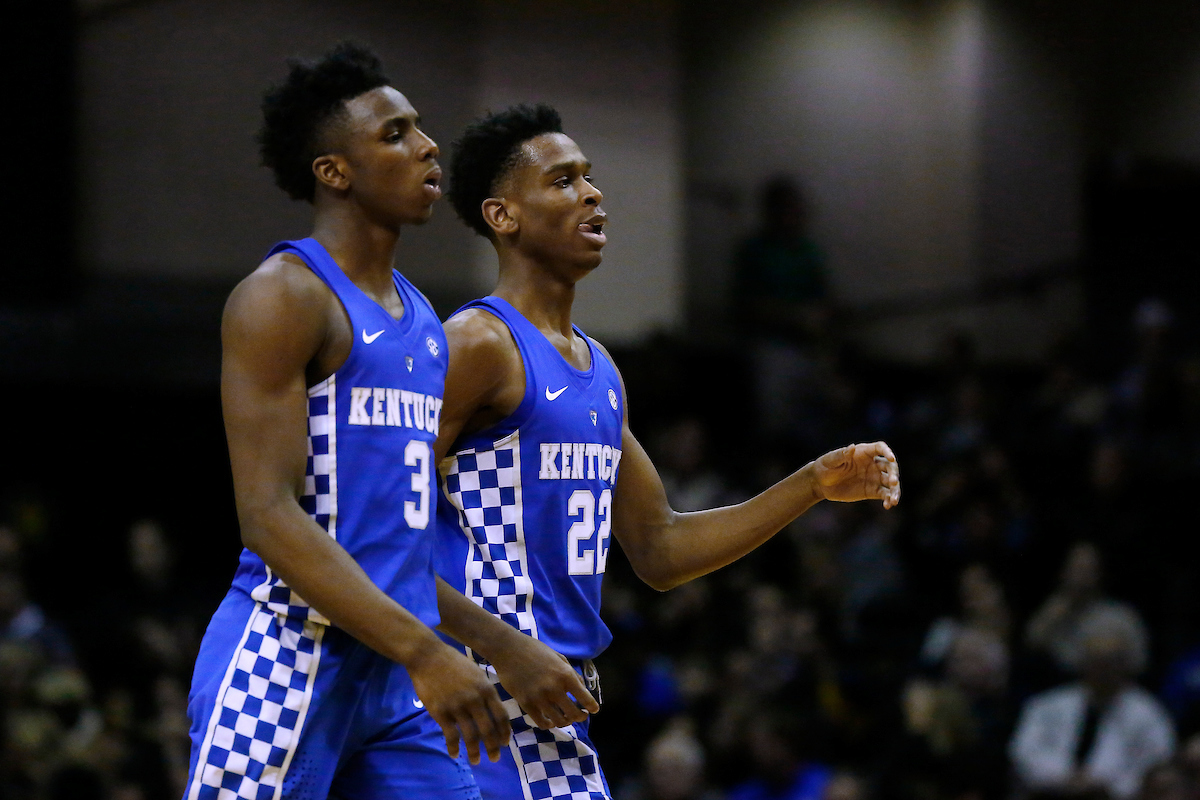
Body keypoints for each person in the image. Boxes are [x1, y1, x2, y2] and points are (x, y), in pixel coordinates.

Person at [431, 104, 900, 800]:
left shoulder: (599, 370)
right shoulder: (476, 342)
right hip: (466, 701)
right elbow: (370, 523)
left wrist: (808, 485)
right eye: (562, 181)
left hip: (554, 709)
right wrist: (498, 646)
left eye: (589, 178)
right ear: (504, 216)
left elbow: (661, 548)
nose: (592, 194)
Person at [183, 43, 510, 800]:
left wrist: (494, 642)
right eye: (394, 134)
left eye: (420, 128)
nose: (429, 147)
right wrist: (427, 652)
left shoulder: (427, 320)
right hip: (286, 656)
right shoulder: (282, 296)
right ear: (334, 172)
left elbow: (392, 541)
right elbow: (267, 515)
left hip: (394, 675)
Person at [1009, 608, 1175, 799]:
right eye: (1096, 662)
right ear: (1083, 663)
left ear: (1126, 665)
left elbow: (1157, 762)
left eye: (1109, 663)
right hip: (1050, 792)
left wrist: (1104, 783)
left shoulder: (1148, 713)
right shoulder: (1047, 705)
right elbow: (1023, 751)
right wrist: (1066, 778)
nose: (1102, 671)